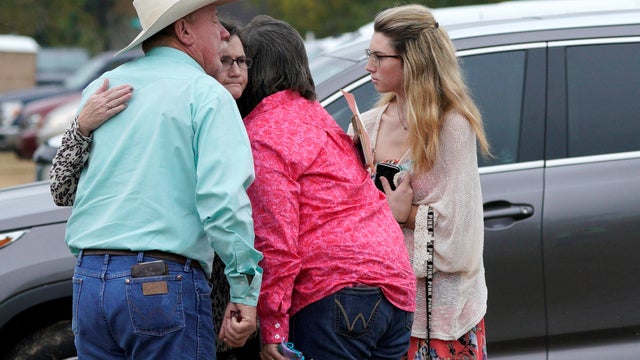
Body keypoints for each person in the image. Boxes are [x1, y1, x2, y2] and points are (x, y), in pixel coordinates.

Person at [51, 0, 262, 358]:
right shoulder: (207, 94)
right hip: (161, 280)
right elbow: (223, 204)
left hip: (89, 280)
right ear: (184, 31)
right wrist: (244, 290)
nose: (225, 32)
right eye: (213, 21)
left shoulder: (100, 89)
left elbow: (63, 187)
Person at [236, 15, 416, 360]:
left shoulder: (262, 136)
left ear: (253, 71)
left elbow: (276, 239)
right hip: (396, 287)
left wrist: (273, 327)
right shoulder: (320, 119)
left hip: (335, 289)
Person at [352, 4, 491, 359]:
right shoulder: (364, 126)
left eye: (379, 57)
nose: (369, 66)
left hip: (442, 321)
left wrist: (406, 214)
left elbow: (460, 236)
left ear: (413, 61)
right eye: (369, 54)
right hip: (378, 315)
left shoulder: (452, 128)